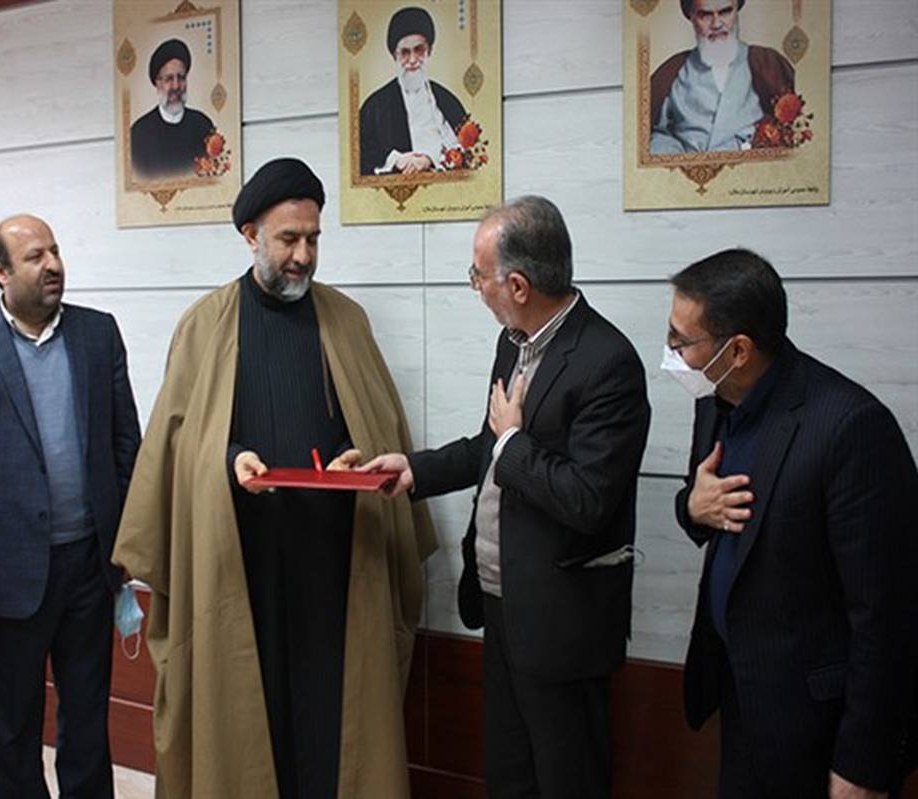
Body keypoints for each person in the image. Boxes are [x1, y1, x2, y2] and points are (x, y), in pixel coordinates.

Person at [113, 157, 436, 798]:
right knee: (248, 717)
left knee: (331, 723)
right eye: (289, 239)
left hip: (334, 563)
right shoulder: (204, 325)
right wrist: (231, 457)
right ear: (250, 235)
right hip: (241, 563)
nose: (303, 256)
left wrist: (350, 455)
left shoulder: (347, 320)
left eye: (313, 238)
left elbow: (375, 425)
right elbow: (179, 449)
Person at [363, 196, 651, 798]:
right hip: (501, 599)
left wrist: (515, 441)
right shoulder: (513, 342)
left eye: (479, 276)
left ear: (517, 285)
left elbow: (588, 499)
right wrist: (413, 470)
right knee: (510, 775)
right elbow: (487, 447)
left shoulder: (608, 362)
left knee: (567, 780)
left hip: (562, 618)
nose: (477, 288)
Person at [664, 249, 918, 797]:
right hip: (739, 695)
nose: (672, 352)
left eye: (681, 341)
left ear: (738, 350)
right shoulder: (715, 401)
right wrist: (691, 508)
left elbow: (887, 616)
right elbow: (705, 507)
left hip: (816, 722)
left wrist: (863, 765)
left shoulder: (851, 428)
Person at [0, 214, 141, 798]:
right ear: (1, 271)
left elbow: (127, 444)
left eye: (55, 251)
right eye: (35, 257)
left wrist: (128, 542)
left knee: (87, 715)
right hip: (9, 575)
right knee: (15, 724)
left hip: (90, 565)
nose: (53, 265)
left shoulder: (98, 334)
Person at [650, 0, 795, 154]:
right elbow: (656, 133)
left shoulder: (767, 63)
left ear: (736, 11)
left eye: (725, 12)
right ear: (691, 17)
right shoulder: (673, 72)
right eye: (705, 15)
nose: (717, 24)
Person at [358, 6, 469, 175]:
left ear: (429, 51)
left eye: (419, 50)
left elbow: (466, 148)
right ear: (394, 55)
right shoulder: (374, 107)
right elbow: (362, 155)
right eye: (405, 52)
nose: (412, 60)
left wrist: (429, 159)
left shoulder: (447, 100)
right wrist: (395, 160)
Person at [129, 38, 217, 179]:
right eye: (169, 79)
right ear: (157, 83)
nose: (176, 86)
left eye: (181, 78)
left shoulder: (203, 125)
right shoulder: (139, 133)